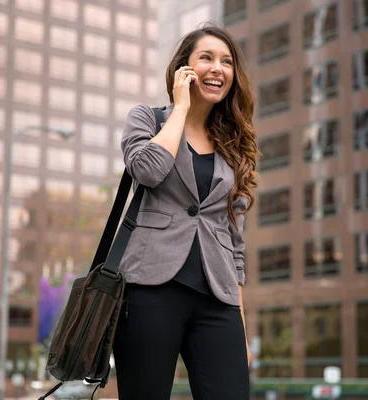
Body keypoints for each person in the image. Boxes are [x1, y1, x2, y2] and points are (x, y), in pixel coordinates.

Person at [113, 22, 258, 400]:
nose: (218, 68)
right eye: (206, 57)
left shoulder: (234, 146)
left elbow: (235, 244)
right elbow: (147, 169)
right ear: (184, 68)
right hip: (150, 291)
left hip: (218, 299)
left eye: (227, 62)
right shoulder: (147, 119)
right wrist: (180, 108)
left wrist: (240, 325)